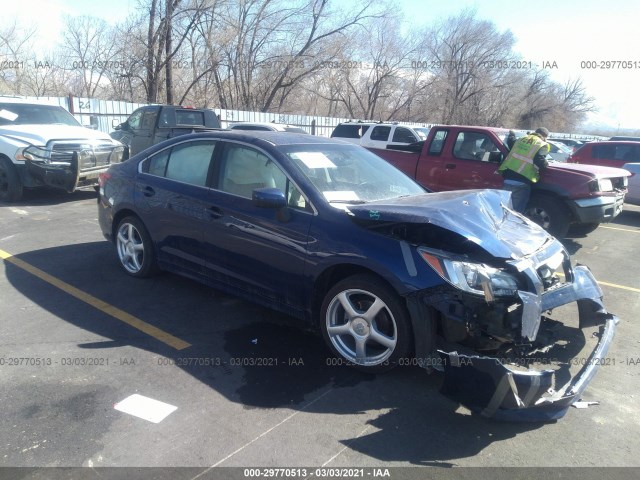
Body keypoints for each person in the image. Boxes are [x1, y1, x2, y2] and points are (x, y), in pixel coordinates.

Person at [498, 127, 550, 213]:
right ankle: (512, 226)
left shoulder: (521, 139)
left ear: (535, 132)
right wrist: (546, 164)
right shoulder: (541, 144)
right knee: (516, 213)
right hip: (522, 182)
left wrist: (511, 135)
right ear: (545, 136)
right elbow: (539, 160)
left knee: (504, 209)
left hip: (508, 178)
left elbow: (510, 143)